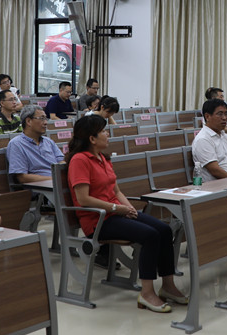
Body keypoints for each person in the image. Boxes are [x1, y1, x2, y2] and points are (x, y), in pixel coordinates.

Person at [67, 114, 186, 312]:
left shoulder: (103, 158)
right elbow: (83, 199)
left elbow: (116, 191)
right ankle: (147, 293)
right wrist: (116, 208)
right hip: (98, 220)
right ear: (92, 138)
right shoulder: (80, 160)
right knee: (150, 235)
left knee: (164, 230)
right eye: (103, 131)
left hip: (115, 213)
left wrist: (129, 209)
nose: (108, 134)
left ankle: (168, 285)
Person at [192, 98, 227, 183]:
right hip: (218, 184)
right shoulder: (203, 139)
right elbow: (215, 170)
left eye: (226, 114)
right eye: (220, 114)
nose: (224, 118)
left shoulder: (225, 136)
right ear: (207, 116)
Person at [6, 105, 64, 183]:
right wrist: (54, 180)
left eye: (46, 119)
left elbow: (61, 162)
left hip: (58, 182)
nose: (46, 122)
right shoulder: (16, 144)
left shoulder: (48, 141)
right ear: (28, 121)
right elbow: (22, 177)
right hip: (40, 186)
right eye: (42, 118)